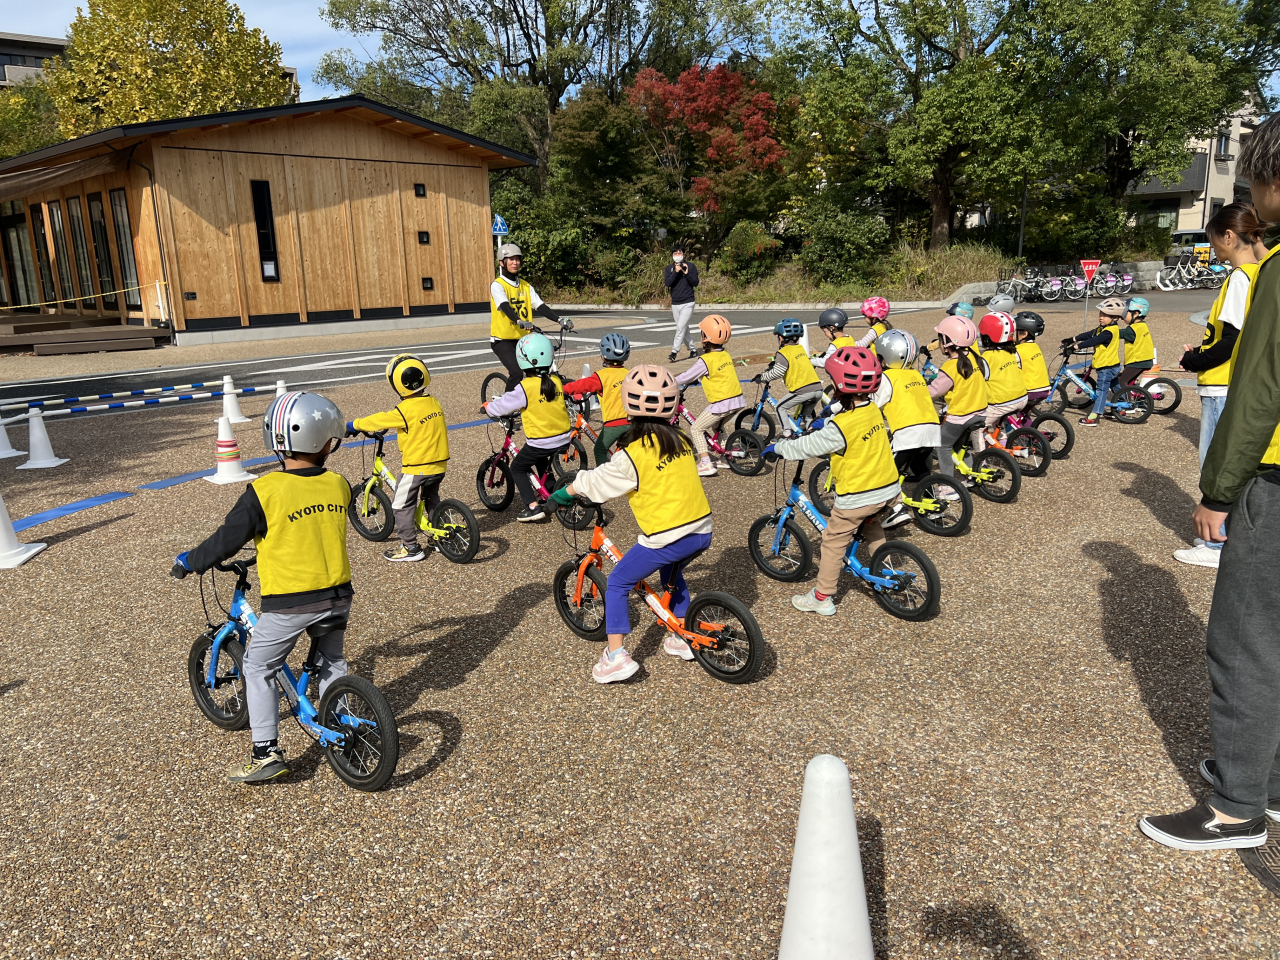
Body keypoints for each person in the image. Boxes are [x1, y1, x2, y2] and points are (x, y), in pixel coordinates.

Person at [1138, 117, 1280, 865]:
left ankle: (1236, 807)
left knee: (1245, 638)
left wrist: (1219, 490)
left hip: (1276, 472)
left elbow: (1260, 389)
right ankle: (1269, 775)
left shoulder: (1268, 273)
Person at [171, 391, 351, 784]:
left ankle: (265, 751)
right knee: (332, 663)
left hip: (291, 603)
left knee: (257, 665)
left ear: (278, 441)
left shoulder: (265, 492)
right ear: (325, 442)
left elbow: (226, 539)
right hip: (339, 595)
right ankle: (345, 719)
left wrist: (191, 561)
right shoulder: (339, 484)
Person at [552, 365, 713, 683]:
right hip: (702, 528)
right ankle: (682, 636)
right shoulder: (679, 439)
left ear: (628, 407)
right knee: (672, 573)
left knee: (618, 583)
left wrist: (562, 494)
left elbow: (596, 482)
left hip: (668, 536)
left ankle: (615, 657)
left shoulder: (631, 455)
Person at [770, 346, 901, 617]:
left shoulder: (840, 427)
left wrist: (778, 448)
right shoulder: (873, 410)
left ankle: (821, 597)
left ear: (837, 384)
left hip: (860, 495)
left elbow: (806, 448)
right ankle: (886, 570)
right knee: (873, 526)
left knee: (831, 541)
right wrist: (829, 418)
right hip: (889, 489)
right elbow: (846, 416)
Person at [1174, 204, 1269, 568]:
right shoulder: (1261, 273)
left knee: (1216, 462)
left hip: (1221, 384)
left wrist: (1194, 360)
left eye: (1214, 240)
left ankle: (1214, 545)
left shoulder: (1238, 278)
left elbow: (1231, 340)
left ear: (1228, 237)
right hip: (1235, 382)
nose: (1213, 248)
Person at [346, 355, 450, 562]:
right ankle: (439, 537)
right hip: (440, 463)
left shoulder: (404, 410)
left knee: (401, 504)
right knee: (431, 499)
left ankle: (410, 547)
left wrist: (353, 425)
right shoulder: (433, 401)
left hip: (417, 466)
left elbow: (379, 419)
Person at [481, 332, 572, 522]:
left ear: (522, 360)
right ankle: (552, 492)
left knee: (517, 467)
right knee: (540, 461)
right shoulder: (555, 381)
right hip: (564, 436)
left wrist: (489, 407)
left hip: (542, 441)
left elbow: (503, 405)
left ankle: (532, 507)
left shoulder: (525, 387)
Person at [869, 329, 941, 529]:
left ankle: (897, 509)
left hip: (908, 432)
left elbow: (873, 405)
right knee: (920, 468)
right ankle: (932, 507)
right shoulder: (916, 375)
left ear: (884, 358)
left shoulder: (887, 378)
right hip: (932, 429)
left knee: (886, 472)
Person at [489, 243, 573, 393]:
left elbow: (540, 306)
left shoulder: (526, 286)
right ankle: (504, 411)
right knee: (516, 373)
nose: (515, 263)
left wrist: (561, 320)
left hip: (523, 339)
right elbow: (505, 306)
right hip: (502, 340)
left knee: (538, 369)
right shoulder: (498, 285)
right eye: (511, 259)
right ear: (502, 262)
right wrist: (519, 321)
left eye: (518, 259)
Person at [674, 314, 746, 477]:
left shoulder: (706, 360)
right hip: (738, 401)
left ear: (706, 337)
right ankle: (726, 456)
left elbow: (687, 376)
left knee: (696, 428)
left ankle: (706, 463)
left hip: (722, 403)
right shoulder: (725, 354)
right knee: (717, 427)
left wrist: (670, 380)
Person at [926, 316, 989, 477]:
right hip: (981, 411)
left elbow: (935, 391)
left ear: (947, 342)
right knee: (959, 445)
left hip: (961, 415)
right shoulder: (974, 357)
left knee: (942, 446)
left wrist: (918, 392)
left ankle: (948, 486)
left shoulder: (951, 366)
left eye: (940, 339)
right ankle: (971, 474)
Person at [562, 333, 632, 466]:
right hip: (634, 420)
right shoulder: (629, 373)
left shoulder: (600, 376)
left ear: (603, 356)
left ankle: (604, 479)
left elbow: (579, 386)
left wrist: (561, 389)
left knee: (599, 449)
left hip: (615, 423)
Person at [1067, 297, 1133, 427]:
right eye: (1100, 314)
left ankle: (1094, 416)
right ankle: (1121, 408)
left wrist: (1076, 347)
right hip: (1112, 365)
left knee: (1101, 390)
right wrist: (1073, 339)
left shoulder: (1109, 331)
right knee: (1115, 386)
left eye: (1105, 315)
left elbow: (1094, 340)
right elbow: (1090, 334)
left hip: (1106, 366)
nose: (1101, 317)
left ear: (1115, 317)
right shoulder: (1104, 328)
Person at [756, 318, 825, 436]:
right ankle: (813, 437)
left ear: (782, 337)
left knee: (780, 408)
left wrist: (762, 377)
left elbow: (777, 372)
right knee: (807, 416)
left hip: (802, 391)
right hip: (818, 389)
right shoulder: (800, 349)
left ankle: (787, 435)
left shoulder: (783, 352)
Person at [977, 311, 1028, 438]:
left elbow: (977, 380)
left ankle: (980, 457)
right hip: (1022, 398)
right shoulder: (1012, 352)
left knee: (976, 428)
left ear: (987, 338)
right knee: (998, 423)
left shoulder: (987, 357)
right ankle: (1003, 448)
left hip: (1002, 403)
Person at [664, 243, 700, 362]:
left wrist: (686, 273)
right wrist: (675, 271)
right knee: (684, 328)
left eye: (680, 253)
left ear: (684, 254)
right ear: (672, 255)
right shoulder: (669, 269)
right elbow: (668, 283)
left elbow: (695, 282)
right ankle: (693, 350)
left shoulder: (690, 266)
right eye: (675, 253)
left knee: (680, 327)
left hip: (688, 302)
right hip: (675, 303)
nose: (678, 255)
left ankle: (674, 351)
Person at [1114, 297, 1156, 391]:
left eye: (1126, 313)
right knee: (1129, 381)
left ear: (1136, 313)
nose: (1123, 316)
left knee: (1123, 381)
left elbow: (1118, 333)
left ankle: (1128, 403)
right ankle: (1138, 396)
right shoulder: (1142, 325)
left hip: (1137, 361)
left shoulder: (1132, 329)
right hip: (1145, 360)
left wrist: (1109, 329)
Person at [1013, 311, 1052, 409]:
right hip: (1044, 388)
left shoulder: (1017, 350)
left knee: (1003, 406)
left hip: (1030, 390)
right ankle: (1028, 425)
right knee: (1022, 415)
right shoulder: (1034, 346)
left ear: (1024, 334)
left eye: (1013, 331)